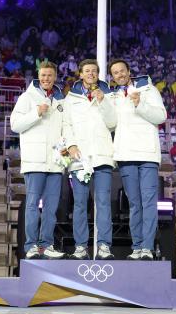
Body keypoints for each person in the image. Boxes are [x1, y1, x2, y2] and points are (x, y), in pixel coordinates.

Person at [109, 59, 167, 260]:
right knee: (134, 204)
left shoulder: (148, 89)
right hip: (126, 156)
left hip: (147, 156)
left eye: (122, 71)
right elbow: (110, 123)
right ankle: (136, 247)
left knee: (149, 203)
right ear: (113, 77)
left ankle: (147, 248)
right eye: (115, 73)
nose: (120, 75)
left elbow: (161, 116)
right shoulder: (113, 96)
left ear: (128, 71)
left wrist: (139, 103)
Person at [10, 61, 65, 260]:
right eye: (43, 75)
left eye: (50, 75)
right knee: (33, 204)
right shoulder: (27, 97)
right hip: (34, 161)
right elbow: (15, 125)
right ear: (38, 76)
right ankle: (31, 245)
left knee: (51, 207)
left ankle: (46, 244)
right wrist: (36, 113)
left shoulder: (61, 100)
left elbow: (64, 129)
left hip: (56, 162)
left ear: (55, 76)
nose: (46, 79)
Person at [63, 58, 117, 261]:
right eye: (87, 71)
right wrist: (71, 145)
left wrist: (103, 101)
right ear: (81, 74)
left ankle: (104, 246)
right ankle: (80, 247)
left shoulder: (108, 95)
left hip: (103, 155)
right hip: (80, 158)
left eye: (94, 71)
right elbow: (66, 124)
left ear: (98, 74)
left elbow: (113, 123)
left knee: (103, 203)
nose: (91, 74)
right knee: (79, 203)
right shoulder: (71, 97)